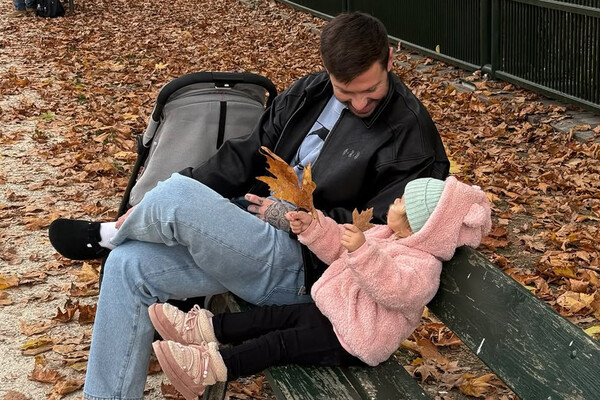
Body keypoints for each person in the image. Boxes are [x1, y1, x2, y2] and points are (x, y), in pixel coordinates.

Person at [48, 12, 450, 400]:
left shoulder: (409, 135)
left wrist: (299, 220)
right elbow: (247, 154)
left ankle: (110, 233)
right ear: (328, 72)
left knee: (176, 197)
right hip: (252, 237)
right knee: (127, 265)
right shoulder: (310, 93)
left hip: (311, 268)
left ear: (389, 60)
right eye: (346, 92)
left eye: (370, 90)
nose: (360, 103)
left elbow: (384, 229)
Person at [146, 176, 492, 400]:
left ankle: (208, 368)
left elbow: (396, 291)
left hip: (354, 340)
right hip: (333, 313)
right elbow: (339, 245)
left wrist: (363, 252)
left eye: (403, 202)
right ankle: (203, 328)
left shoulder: (424, 265)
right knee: (273, 318)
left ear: (418, 226)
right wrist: (312, 228)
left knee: (279, 343)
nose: (395, 202)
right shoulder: (385, 235)